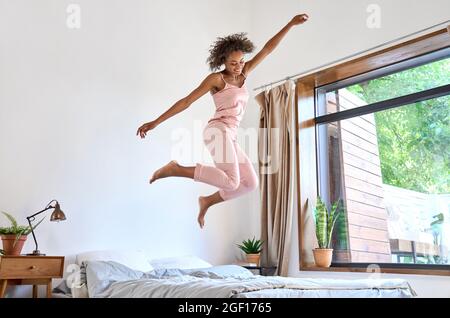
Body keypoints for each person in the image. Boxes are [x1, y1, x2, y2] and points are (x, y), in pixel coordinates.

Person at [137, 14, 309, 229]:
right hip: (217, 130)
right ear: (223, 62)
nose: (238, 67)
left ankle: (207, 201)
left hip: (231, 135)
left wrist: (291, 24)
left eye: (241, 62)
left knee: (250, 183)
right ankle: (175, 168)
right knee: (232, 181)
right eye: (233, 63)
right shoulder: (216, 80)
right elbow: (186, 101)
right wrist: (155, 122)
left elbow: (268, 48)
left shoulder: (244, 73)